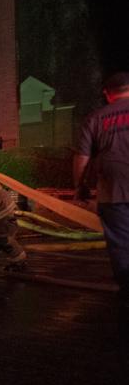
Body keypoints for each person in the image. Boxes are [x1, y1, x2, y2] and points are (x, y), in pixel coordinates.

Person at [74, 71, 129, 302]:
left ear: (107, 94)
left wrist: (80, 187)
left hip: (113, 191)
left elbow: (82, 158)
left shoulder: (95, 118)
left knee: (121, 243)